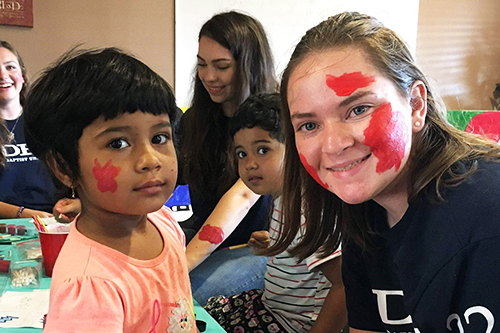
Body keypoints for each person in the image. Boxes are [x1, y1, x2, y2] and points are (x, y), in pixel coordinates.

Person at [271, 11, 500, 332]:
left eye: (358, 109)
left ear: (416, 105)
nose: (333, 145)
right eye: (309, 125)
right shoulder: (365, 217)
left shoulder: (488, 218)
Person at [23, 47, 196, 332]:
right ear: (64, 167)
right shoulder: (88, 287)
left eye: (159, 137)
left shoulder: (163, 222)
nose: (151, 159)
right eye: (118, 143)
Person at [204, 93, 347, 333]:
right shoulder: (285, 197)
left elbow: (344, 284)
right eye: (242, 154)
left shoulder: (307, 210)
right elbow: (304, 251)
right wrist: (278, 243)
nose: (250, 163)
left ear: (294, 149)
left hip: (290, 324)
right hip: (271, 307)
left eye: (262, 150)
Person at [178, 11, 278, 304]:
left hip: (260, 249)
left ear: (249, 66)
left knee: (183, 294)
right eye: (201, 65)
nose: (209, 76)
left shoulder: (271, 121)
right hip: (206, 236)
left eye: (221, 66)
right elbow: (162, 176)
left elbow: (241, 198)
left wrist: (180, 266)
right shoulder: (195, 120)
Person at [0, 41, 57, 218]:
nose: (3, 75)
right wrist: (24, 214)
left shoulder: (46, 122)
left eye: (10, 67)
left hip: (56, 220)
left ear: (22, 76)